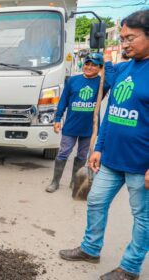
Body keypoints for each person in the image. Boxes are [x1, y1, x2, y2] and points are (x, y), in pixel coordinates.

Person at [59, 10, 149, 280]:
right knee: (95, 201)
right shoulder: (124, 68)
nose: (124, 43)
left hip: (140, 165)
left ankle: (130, 268)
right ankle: (90, 248)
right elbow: (110, 113)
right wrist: (99, 147)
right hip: (111, 158)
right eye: (122, 38)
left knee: (142, 217)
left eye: (130, 37)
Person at [46, 52, 109, 193]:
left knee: (82, 156)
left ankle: (75, 182)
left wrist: (107, 64)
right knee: (63, 153)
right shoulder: (72, 81)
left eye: (94, 65)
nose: (89, 67)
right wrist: (57, 119)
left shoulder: (102, 83)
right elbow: (63, 101)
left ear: (100, 68)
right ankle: (55, 182)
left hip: (89, 128)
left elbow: (111, 79)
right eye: (87, 64)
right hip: (71, 126)